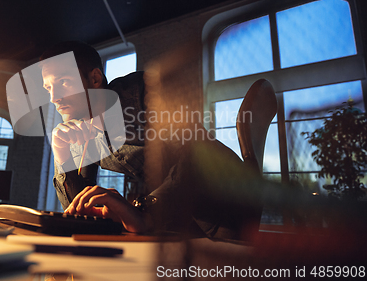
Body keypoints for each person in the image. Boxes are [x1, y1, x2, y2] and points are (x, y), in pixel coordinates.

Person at [39, 41, 258, 238]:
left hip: (228, 204)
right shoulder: (75, 132)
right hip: (178, 222)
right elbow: (78, 213)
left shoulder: (145, 92)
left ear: (95, 78)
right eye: (48, 87)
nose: (53, 97)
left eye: (64, 82)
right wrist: (63, 155)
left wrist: (145, 212)